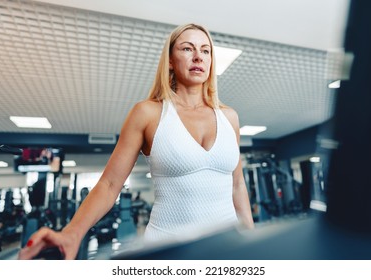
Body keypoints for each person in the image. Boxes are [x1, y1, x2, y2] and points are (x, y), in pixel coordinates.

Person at [18, 23, 254, 260]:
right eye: (187, 49)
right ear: (170, 60)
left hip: (227, 250)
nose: (197, 57)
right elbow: (110, 184)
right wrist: (73, 232)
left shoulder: (229, 117)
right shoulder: (148, 113)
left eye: (205, 50)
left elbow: (237, 185)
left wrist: (252, 241)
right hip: (168, 251)